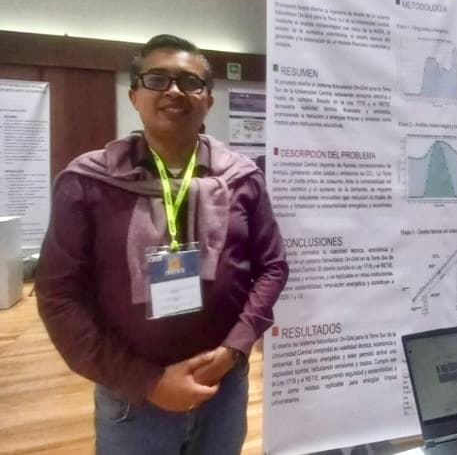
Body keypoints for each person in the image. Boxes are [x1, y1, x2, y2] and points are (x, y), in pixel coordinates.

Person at [36, 34, 289, 455]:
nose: (174, 91)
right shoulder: (88, 182)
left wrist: (235, 347)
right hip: (133, 400)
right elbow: (59, 296)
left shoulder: (242, 179)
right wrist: (147, 382)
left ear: (208, 100)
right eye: (157, 79)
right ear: (134, 95)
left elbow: (272, 266)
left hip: (223, 389)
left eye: (190, 82)